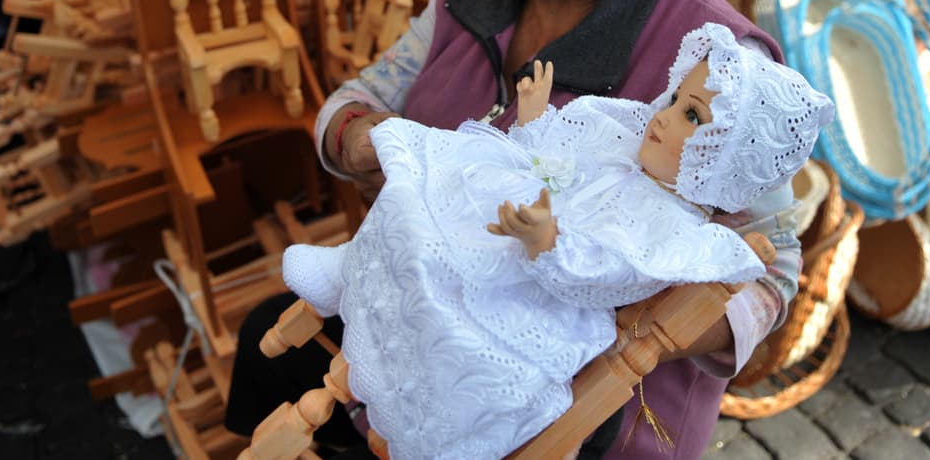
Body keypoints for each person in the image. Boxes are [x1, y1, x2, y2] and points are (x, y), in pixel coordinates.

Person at [226, 0, 804, 460]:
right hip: (411, 357)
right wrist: (374, 147)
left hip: (579, 423)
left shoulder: (715, 64)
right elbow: (353, 104)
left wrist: (636, 323)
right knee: (263, 344)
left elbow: (775, 274)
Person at [276, 24, 834, 460]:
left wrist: (551, 243)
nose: (662, 116)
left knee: (452, 284)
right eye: (674, 99)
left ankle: (380, 327)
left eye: (692, 116)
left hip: (539, 296)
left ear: (723, 160)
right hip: (513, 224)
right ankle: (346, 268)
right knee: (429, 178)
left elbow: (611, 275)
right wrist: (537, 120)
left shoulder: (673, 230)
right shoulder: (623, 133)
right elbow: (554, 160)